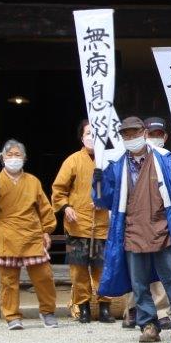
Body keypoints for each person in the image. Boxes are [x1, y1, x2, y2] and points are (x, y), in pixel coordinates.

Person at [94, 115, 171, 343]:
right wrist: (99, 181)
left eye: (135, 133)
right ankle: (148, 324)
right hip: (132, 229)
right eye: (126, 135)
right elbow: (105, 201)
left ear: (144, 133)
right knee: (139, 282)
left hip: (164, 227)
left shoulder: (166, 160)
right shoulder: (116, 165)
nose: (131, 138)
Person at [0, 139, 58, 330]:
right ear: (2, 158)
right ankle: (12, 316)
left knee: (44, 276)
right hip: (6, 234)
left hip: (32, 233)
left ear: (25, 158)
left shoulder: (33, 181)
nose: (13, 158)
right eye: (9, 155)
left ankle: (47, 312)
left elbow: (45, 209)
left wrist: (47, 230)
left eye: (17, 155)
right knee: (8, 280)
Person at [51, 120, 113, 323]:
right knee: (78, 270)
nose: (92, 137)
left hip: (103, 224)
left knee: (103, 268)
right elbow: (59, 189)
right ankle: (83, 306)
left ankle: (104, 306)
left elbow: (118, 188)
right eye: (88, 133)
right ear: (81, 136)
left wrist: (106, 200)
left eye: (95, 133)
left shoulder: (109, 160)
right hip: (78, 224)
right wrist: (66, 207)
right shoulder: (73, 161)